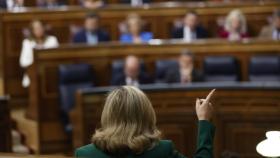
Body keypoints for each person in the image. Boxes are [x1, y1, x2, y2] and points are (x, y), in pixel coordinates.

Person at [75, 86, 216, 158]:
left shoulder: (84, 154)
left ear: (108, 115)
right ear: (146, 114)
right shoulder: (162, 151)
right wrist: (203, 120)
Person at [19, 20, 59, 87]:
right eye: (36, 28)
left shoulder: (52, 40)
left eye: (40, 27)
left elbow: (57, 58)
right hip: (33, 73)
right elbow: (23, 62)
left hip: (50, 73)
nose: (39, 30)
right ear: (32, 30)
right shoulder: (27, 43)